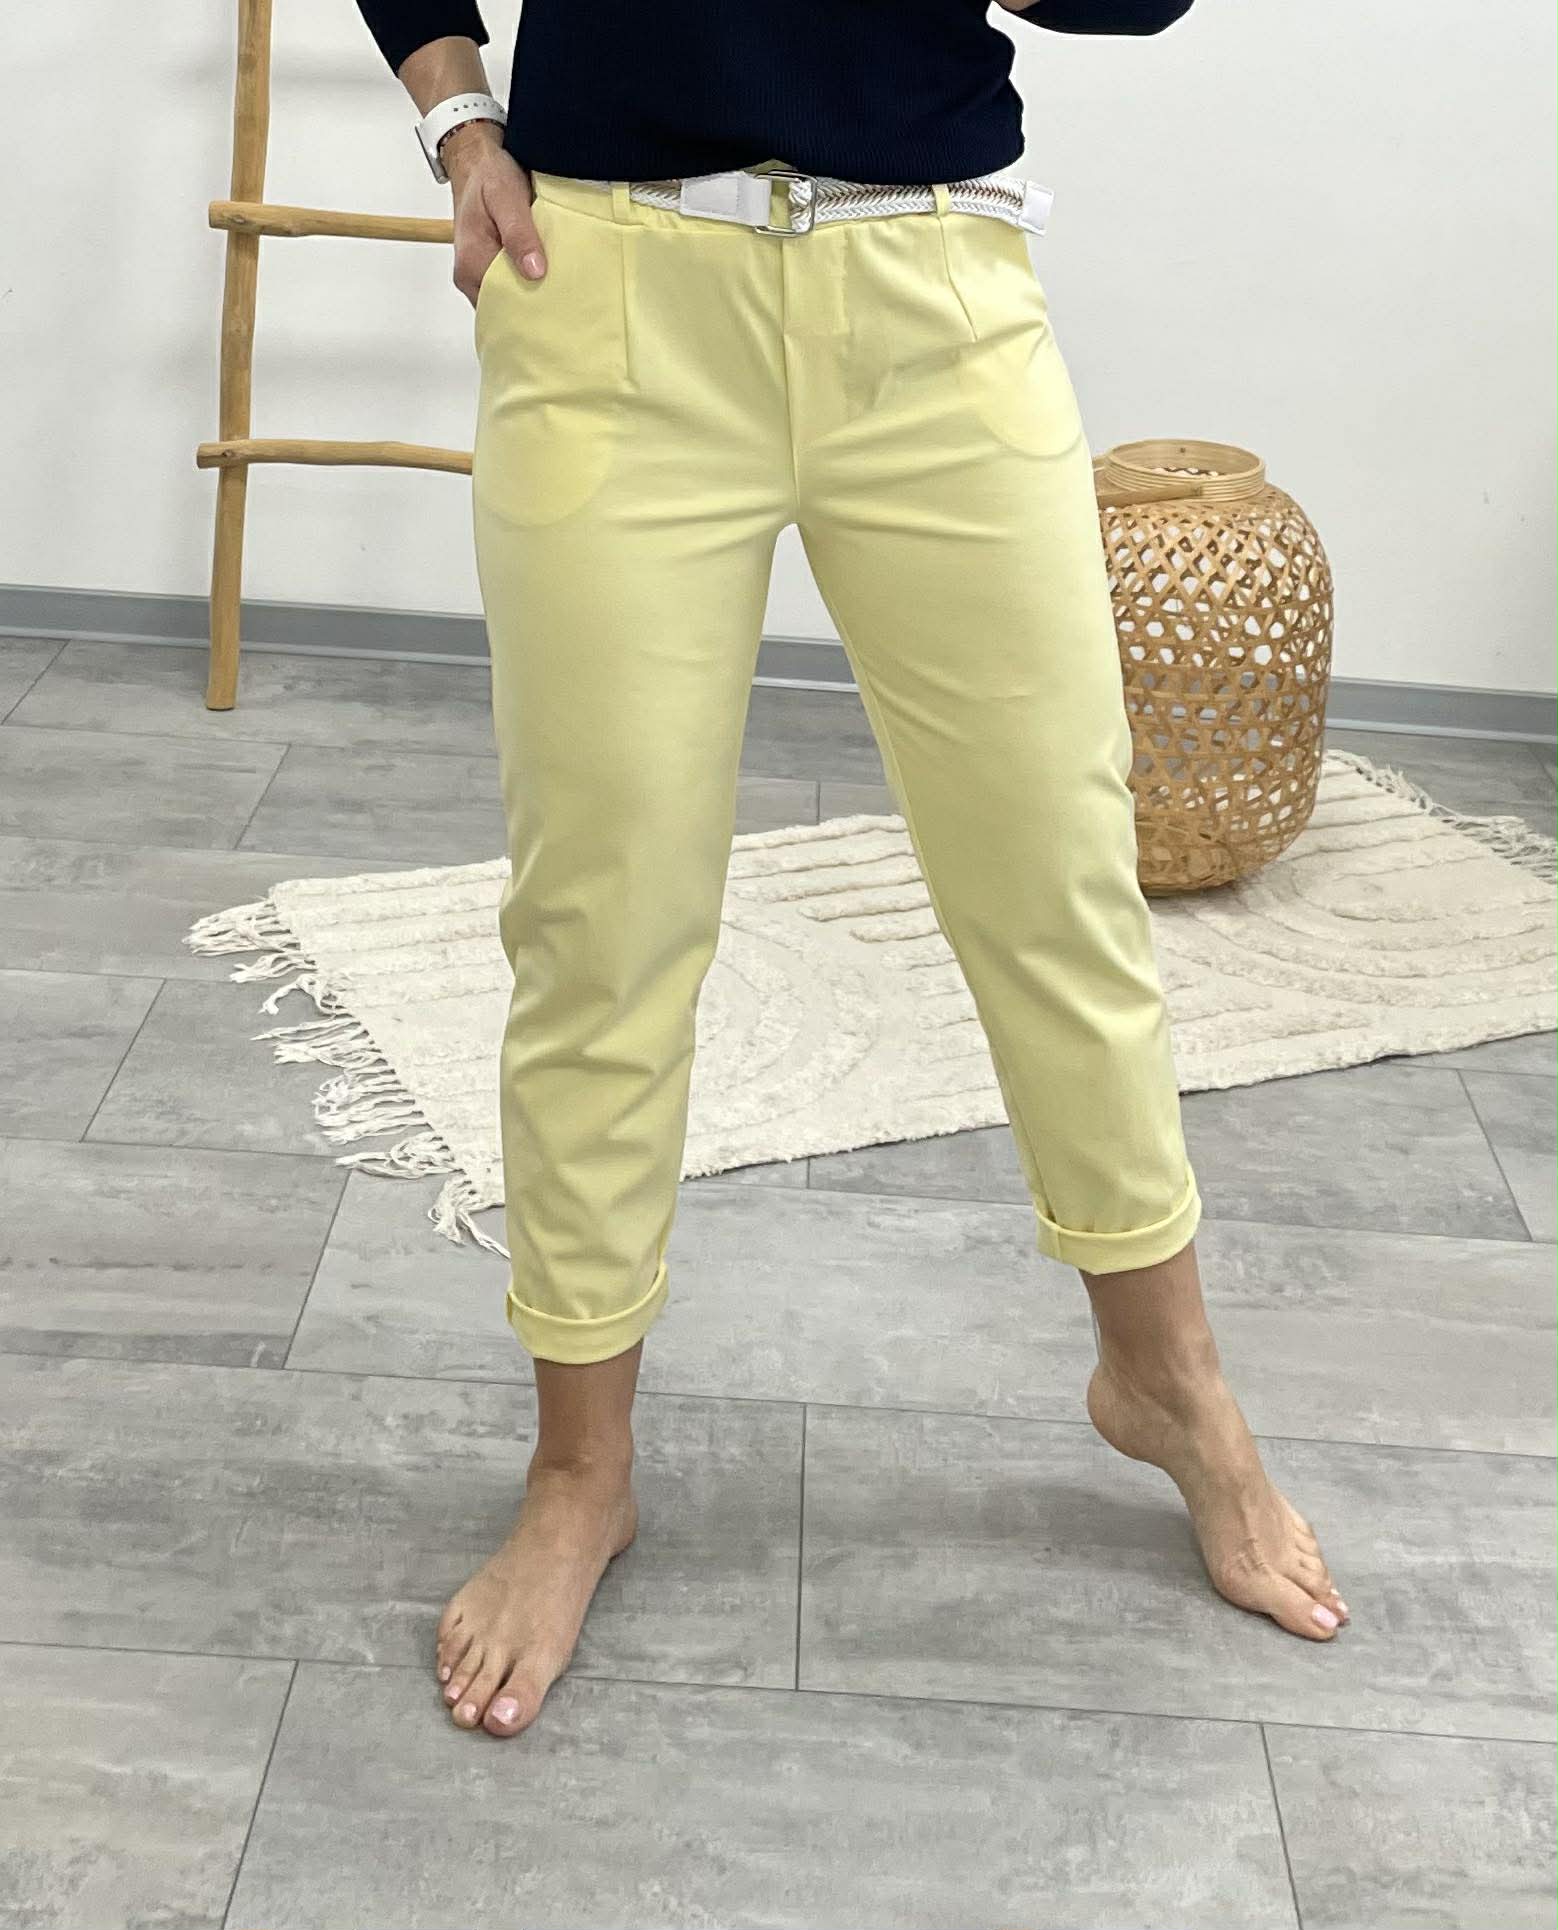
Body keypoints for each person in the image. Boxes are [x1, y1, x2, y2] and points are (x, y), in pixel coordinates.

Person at [355, 0, 1347, 1741]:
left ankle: (1167, 1381)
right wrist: (457, 118)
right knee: (600, 919)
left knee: (1056, 883)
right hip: (610, 286)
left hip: (931, 284)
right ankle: (579, 1470)